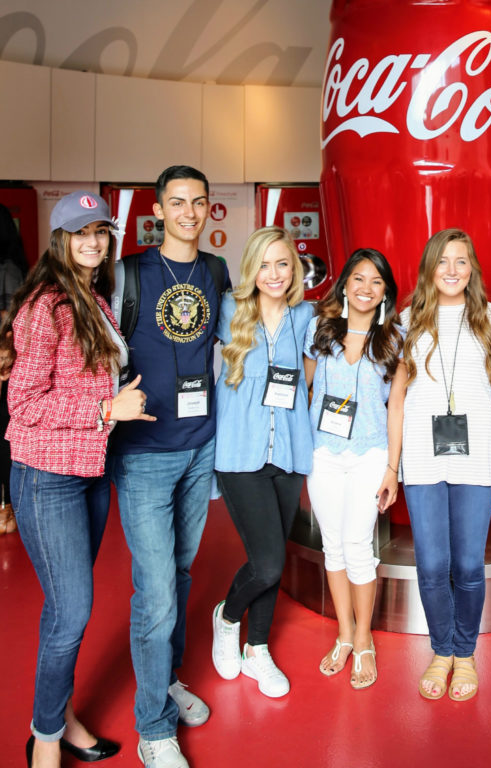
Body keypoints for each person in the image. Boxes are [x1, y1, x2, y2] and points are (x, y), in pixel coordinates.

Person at [2, 191, 153, 768]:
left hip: (87, 473)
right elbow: (23, 403)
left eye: (101, 233)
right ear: (60, 238)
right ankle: (45, 739)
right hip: (46, 477)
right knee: (72, 611)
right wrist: (105, 409)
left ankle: (61, 716)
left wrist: (122, 404)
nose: (93, 242)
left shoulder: (89, 296)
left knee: (64, 608)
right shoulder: (46, 305)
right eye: (80, 232)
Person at [109, 166, 230, 768]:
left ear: (209, 210)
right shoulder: (128, 273)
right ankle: (153, 727)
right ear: (157, 211)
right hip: (143, 454)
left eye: (198, 203)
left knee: (180, 575)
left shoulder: (214, 271)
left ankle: (168, 679)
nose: (188, 212)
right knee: (155, 593)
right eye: (177, 203)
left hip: (199, 444)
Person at [401, 228, 491, 702]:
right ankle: (440, 650)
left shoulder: (490, 318)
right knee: (431, 565)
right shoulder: (408, 320)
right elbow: (395, 394)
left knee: (467, 564)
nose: (451, 270)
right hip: (422, 458)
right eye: (442, 261)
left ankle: (464, 654)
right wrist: (390, 463)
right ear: (429, 268)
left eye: (461, 261)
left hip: (477, 455)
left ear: (472, 270)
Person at [210, 227, 313, 698]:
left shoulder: (307, 317)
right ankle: (228, 618)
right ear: (251, 269)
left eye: (283, 264)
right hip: (239, 452)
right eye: (264, 265)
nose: (274, 274)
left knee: (269, 557)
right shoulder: (228, 311)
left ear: (294, 268)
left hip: (290, 451)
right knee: (269, 563)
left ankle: (258, 648)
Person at [304, 248, 405, 690]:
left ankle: (364, 636)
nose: (366, 288)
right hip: (322, 454)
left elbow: (396, 407)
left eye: (376, 281)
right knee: (333, 546)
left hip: (368, 455)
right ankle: (344, 632)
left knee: (358, 545)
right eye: (358, 279)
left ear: (386, 291)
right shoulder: (320, 329)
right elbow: (302, 389)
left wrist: (392, 468)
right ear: (345, 283)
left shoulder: (394, 338)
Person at [0, 203, 27, 535]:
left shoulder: (8, 269)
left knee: (4, 436)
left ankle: (7, 508)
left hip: (5, 367)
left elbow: (9, 322)